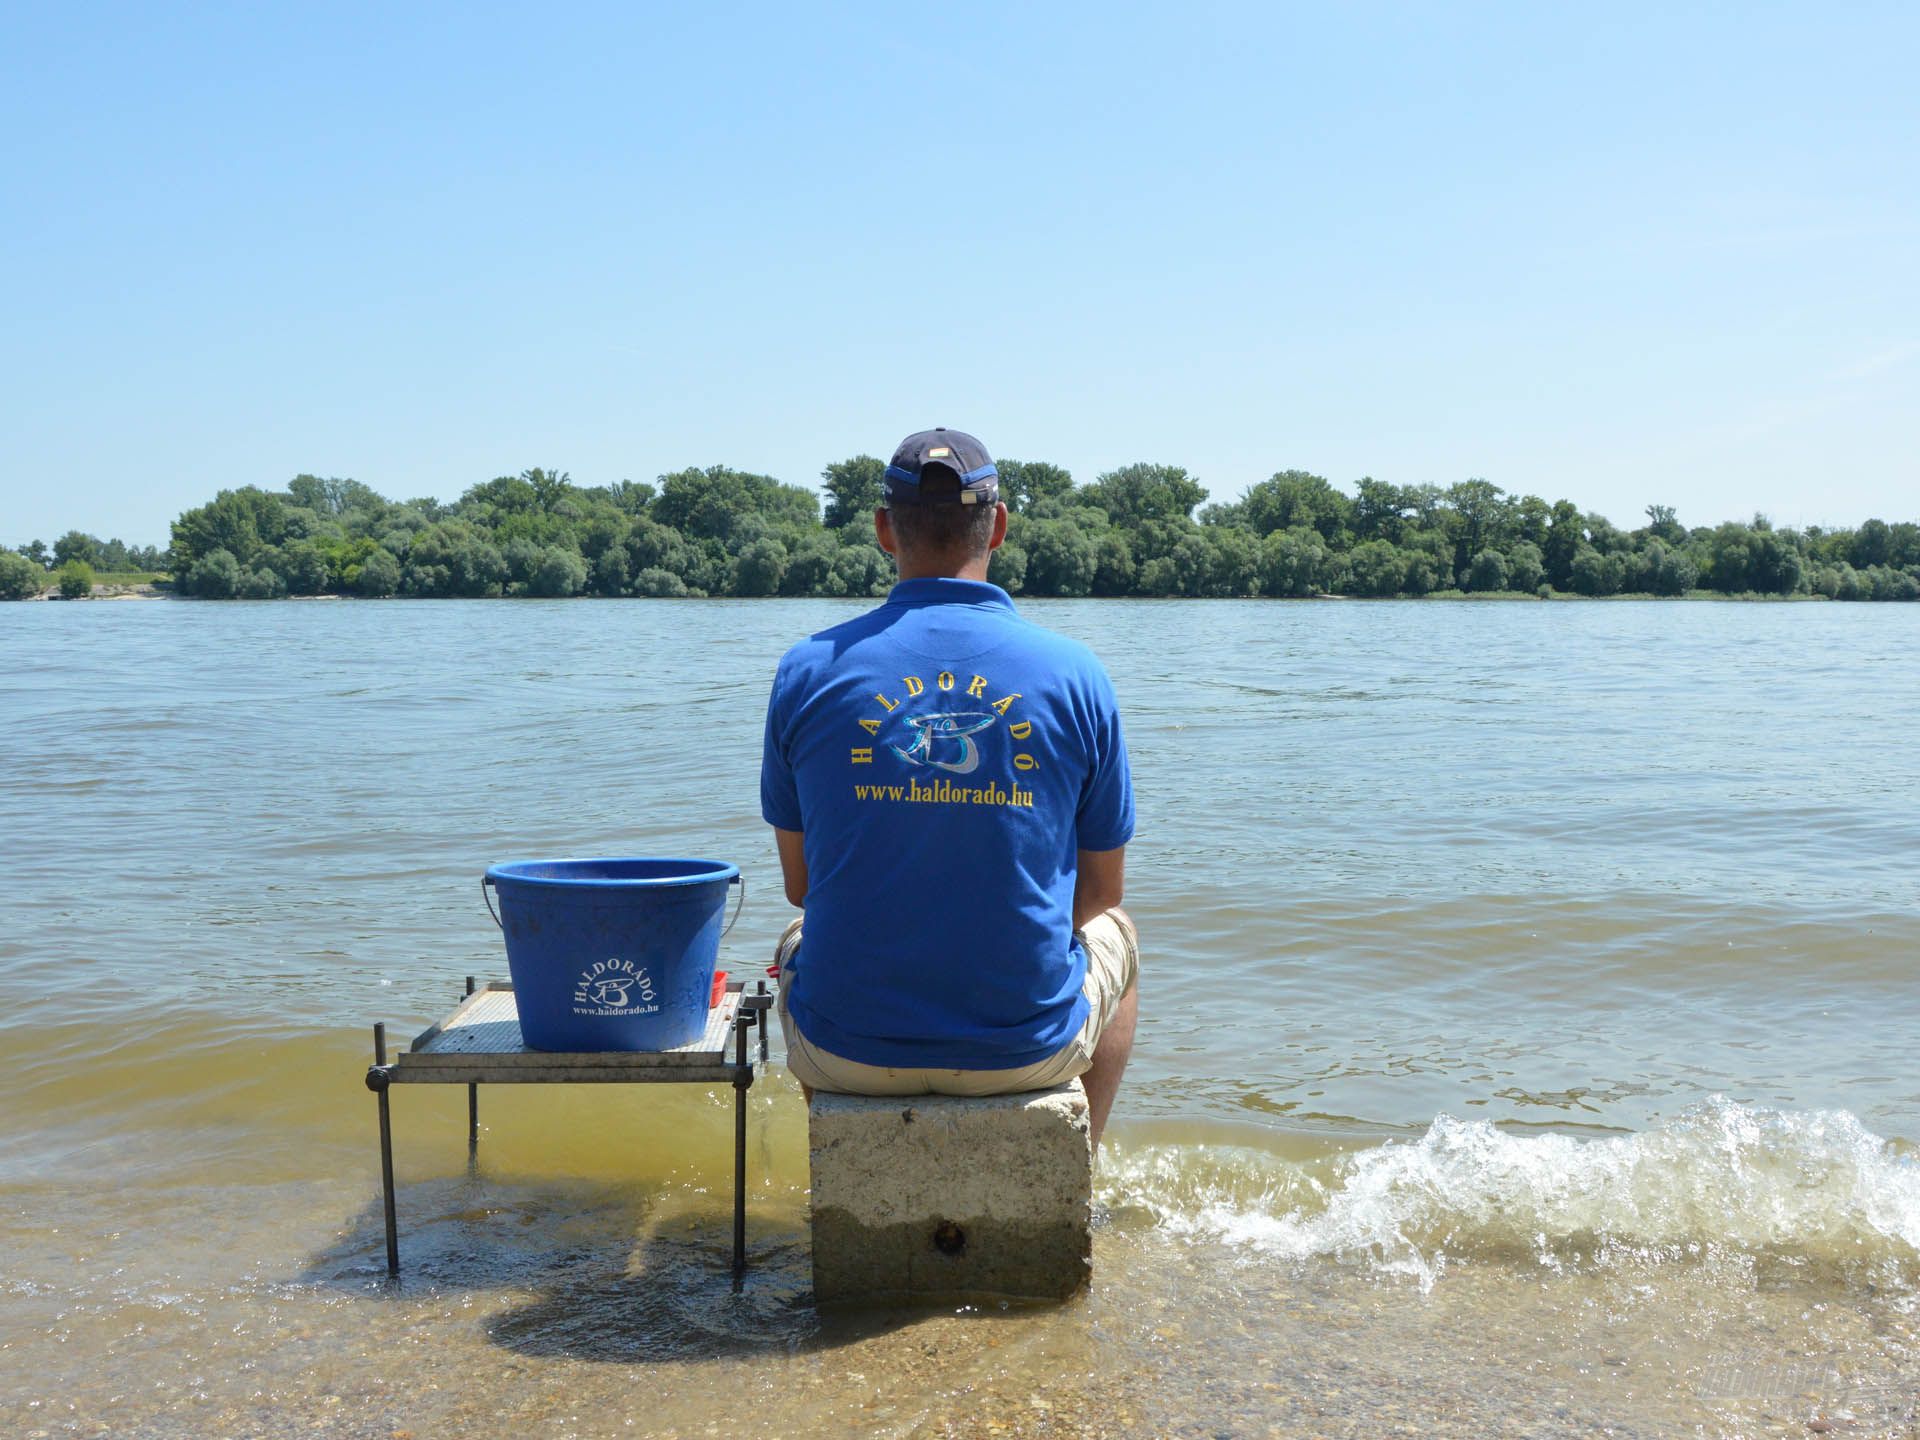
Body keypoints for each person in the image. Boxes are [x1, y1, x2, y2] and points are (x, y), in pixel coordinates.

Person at [759, 427, 1138, 1146]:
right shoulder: (1076, 672)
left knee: (797, 937)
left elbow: (804, 885)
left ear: (881, 530)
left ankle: (858, 1161)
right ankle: (1081, 1162)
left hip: (848, 1055)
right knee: (1120, 935)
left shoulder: (806, 669)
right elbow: (1098, 896)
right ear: (997, 524)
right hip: (1023, 1052)